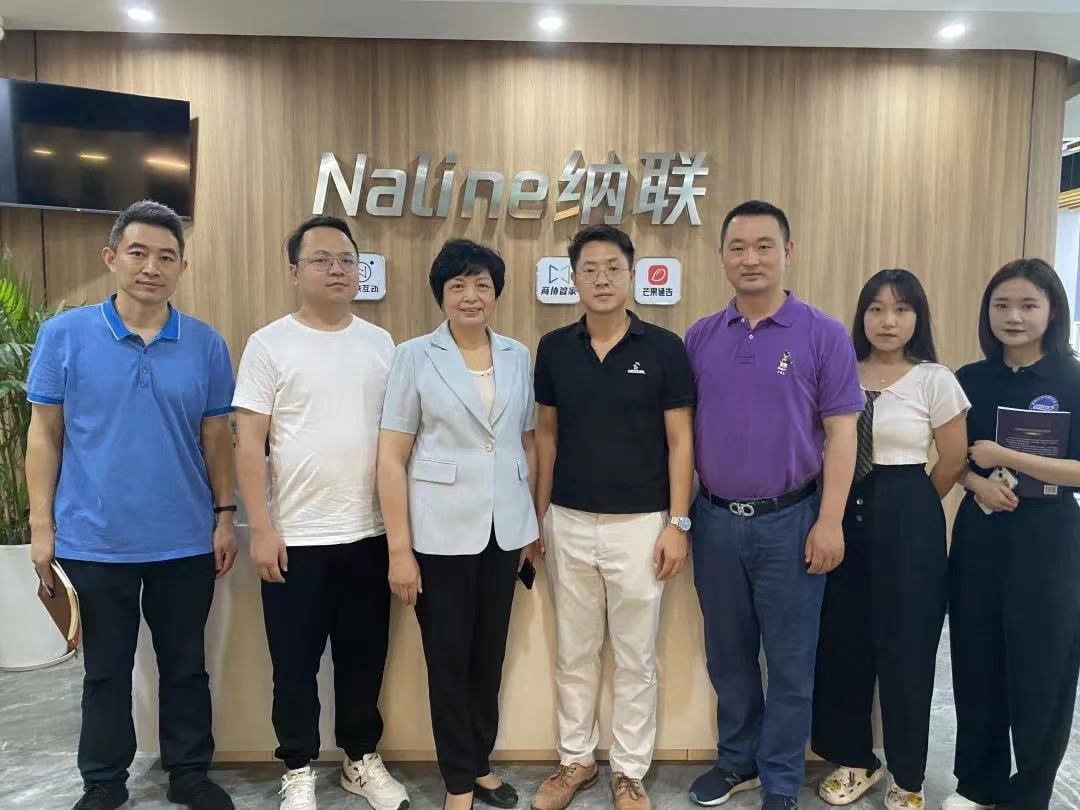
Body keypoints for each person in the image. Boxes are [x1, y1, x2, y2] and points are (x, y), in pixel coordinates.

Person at [24, 200, 237, 810]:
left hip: (184, 538)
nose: (152, 267)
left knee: (186, 667)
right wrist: (41, 527)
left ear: (182, 267)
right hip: (93, 539)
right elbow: (45, 434)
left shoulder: (205, 344)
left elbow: (216, 437)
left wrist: (225, 516)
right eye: (138, 253)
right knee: (105, 671)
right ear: (111, 258)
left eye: (166, 257)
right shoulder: (64, 335)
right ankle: (103, 782)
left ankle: (189, 773)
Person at [685, 200, 862, 810]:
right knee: (727, 656)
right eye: (737, 248)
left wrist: (830, 521)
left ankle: (782, 778)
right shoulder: (700, 336)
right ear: (722, 258)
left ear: (788, 253)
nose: (750, 258)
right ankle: (737, 761)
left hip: (792, 521)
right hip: (714, 521)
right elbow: (680, 434)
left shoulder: (823, 334)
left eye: (764, 246)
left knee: (789, 662)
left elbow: (843, 435)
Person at [232, 215, 410, 810]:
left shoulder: (381, 343)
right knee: (294, 665)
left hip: (369, 534)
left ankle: (361, 759)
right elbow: (248, 444)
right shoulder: (269, 343)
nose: (337, 269)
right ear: (294, 271)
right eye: (321, 259)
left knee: (364, 659)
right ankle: (298, 766)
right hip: (295, 538)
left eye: (346, 260)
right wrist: (261, 528)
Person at [529, 225, 696, 810]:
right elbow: (545, 436)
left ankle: (628, 771)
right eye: (589, 269)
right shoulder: (554, 348)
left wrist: (678, 523)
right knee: (574, 652)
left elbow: (681, 441)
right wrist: (538, 516)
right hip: (568, 520)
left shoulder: (665, 349)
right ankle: (575, 761)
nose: (601, 279)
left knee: (634, 656)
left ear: (632, 275)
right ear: (573, 279)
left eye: (612, 268)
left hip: (642, 525)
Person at [377, 239, 540, 810]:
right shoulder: (415, 356)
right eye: (458, 286)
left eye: (482, 285)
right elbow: (391, 455)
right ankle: (457, 782)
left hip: (503, 533)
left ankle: (480, 762)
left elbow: (523, 442)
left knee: (488, 657)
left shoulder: (517, 355)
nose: (471, 296)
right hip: (439, 536)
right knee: (447, 660)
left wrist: (529, 524)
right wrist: (400, 550)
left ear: (496, 293)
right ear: (441, 295)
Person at [810, 269, 969, 809]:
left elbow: (952, 459)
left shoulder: (934, 379)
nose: (888, 321)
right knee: (842, 643)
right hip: (840, 508)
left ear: (917, 318)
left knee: (907, 652)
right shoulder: (839, 370)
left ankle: (908, 777)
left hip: (909, 512)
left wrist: (910, 505)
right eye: (876, 309)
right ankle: (855, 760)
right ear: (862, 316)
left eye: (901, 309)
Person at [943, 258, 1080, 810]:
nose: (1014, 317)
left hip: (1049, 542)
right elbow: (954, 459)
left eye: (1028, 305)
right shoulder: (969, 379)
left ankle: (1030, 793)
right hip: (982, 535)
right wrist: (978, 482)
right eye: (1001, 305)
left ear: (1052, 312)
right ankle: (977, 784)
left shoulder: (1073, 379)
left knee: (1043, 668)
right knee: (976, 659)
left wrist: (1008, 457)